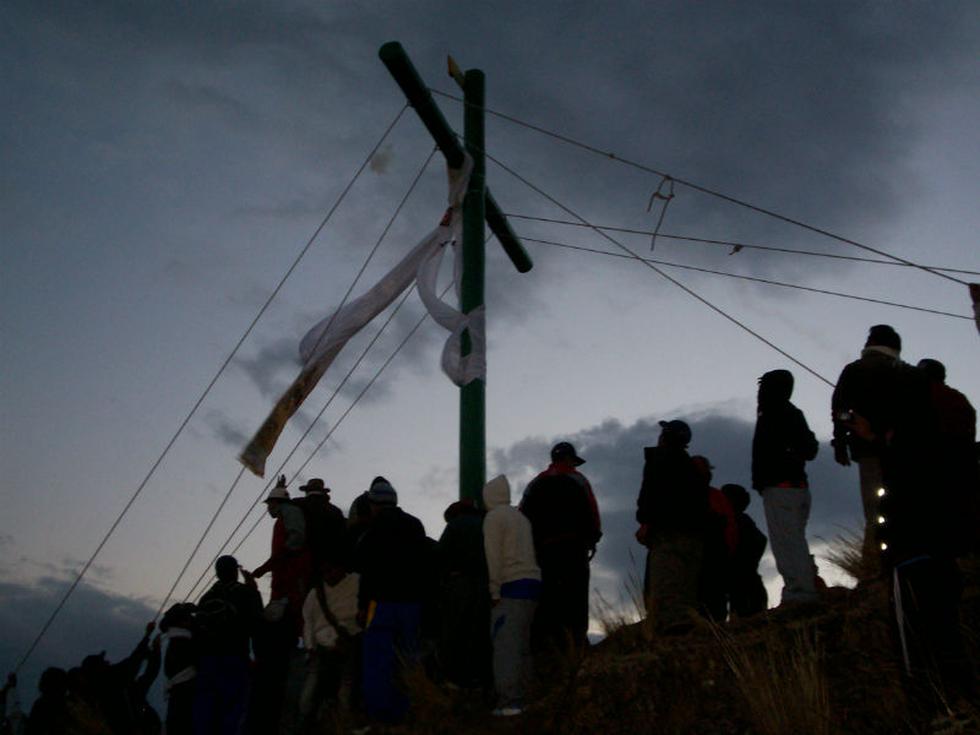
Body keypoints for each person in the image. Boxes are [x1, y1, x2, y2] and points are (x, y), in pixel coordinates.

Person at [353, 477, 428, 724]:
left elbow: (366, 571)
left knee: (377, 662)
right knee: (410, 657)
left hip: (380, 604)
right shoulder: (415, 525)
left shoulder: (371, 532)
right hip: (412, 603)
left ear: (374, 504)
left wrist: (362, 606)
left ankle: (381, 715)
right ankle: (412, 709)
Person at [831, 325, 904, 574]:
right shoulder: (905, 372)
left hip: (868, 452)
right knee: (902, 506)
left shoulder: (853, 370)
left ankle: (874, 568)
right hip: (903, 450)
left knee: (875, 509)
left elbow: (838, 410)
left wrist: (841, 440)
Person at [519, 442, 601, 652]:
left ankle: (548, 648)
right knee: (576, 598)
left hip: (544, 552)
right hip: (574, 549)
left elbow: (522, 517)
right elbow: (592, 512)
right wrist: (593, 538)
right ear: (569, 459)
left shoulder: (535, 484)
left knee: (548, 600)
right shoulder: (578, 480)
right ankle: (576, 644)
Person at [753, 369, 819, 606]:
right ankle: (802, 587)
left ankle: (801, 593)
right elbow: (810, 448)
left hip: (782, 488)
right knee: (793, 541)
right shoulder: (790, 413)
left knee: (787, 543)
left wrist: (785, 456)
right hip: (795, 487)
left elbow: (809, 448)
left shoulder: (775, 414)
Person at [636, 420, 709, 634]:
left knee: (666, 589)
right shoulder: (691, 468)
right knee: (685, 590)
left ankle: (672, 632)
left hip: (668, 534)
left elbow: (652, 495)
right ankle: (683, 629)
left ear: (665, 437)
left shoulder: (659, 460)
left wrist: (646, 522)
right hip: (693, 536)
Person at [483, 475, 541, 717]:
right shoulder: (521, 518)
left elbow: (493, 558)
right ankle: (526, 697)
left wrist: (494, 590)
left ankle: (509, 702)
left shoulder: (494, 518)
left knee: (506, 645)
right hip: (533, 584)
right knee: (523, 645)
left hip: (510, 587)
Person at [195, 555, 262, 735]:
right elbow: (257, 625)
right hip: (235, 660)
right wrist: (254, 590)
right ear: (235, 572)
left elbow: (197, 632)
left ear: (216, 573)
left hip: (207, 663)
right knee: (233, 712)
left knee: (205, 713)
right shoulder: (245, 593)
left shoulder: (205, 599)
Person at [300, 557, 361, 733]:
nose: (328, 575)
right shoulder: (315, 593)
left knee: (344, 689)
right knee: (312, 693)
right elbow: (308, 622)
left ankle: (342, 724)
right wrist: (310, 647)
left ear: (341, 568)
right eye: (325, 572)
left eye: (332, 570)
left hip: (346, 643)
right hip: (322, 648)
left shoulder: (356, 581)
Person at [436, 499, 490, 690]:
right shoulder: (487, 523)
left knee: (455, 632)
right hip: (485, 585)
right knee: (479, 632)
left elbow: (440, 554)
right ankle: (479, 679)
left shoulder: (456, 525)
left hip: (460, 585)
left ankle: (454, 680)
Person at [252, 478, 311, 635]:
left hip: (291, 575)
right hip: (285, 576)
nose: (268, 508)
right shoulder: (284, 514)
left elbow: (296, 538)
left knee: (291, 617)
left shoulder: (289, 511)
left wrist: (266, 567)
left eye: (269, 504)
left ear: (275, 502)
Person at [690, 456, 736, 622]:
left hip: (714, 558)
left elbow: (730, 529)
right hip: (699, 559)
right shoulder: (686, 495)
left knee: (714, 602)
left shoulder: (717, 497)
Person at [721, 484, 769, 617]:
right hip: (746, 575)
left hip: (739, 575)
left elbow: (760, 540)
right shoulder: (743, 520)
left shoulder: (733, 521)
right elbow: (761, 540)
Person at [292, 478, 346, 581]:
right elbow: (342, 538)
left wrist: (279, 489)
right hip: (330, 566)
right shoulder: (335, 511)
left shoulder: (297, 504)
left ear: (307, 491)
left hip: (304, 562)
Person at [160, 603, 198, 735]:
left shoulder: (175, 640)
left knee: (175, 720)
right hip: (185, 687)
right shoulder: (185, 641)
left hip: (178, 687)